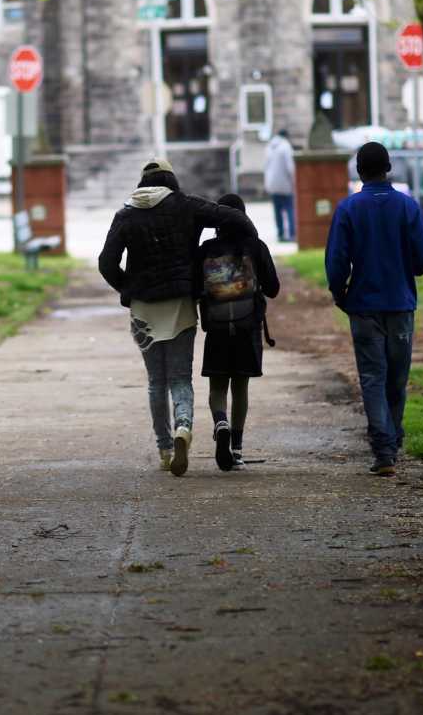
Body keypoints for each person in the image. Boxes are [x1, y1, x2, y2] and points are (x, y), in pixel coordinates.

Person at [98, 159, 259, 476]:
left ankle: (164, 448)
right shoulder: (185, 205)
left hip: (144, 309)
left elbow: (106, 262)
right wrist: (248, 241)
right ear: (171, 181)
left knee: (156, 382)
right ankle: (182, 428)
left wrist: (129, 288)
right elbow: (231, 216)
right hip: (181, 305)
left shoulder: (125, 215)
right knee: (180, 378)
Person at [324, 142, 423, 476]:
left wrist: (339, 291)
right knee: (397, 377)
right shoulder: (407, 207)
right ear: (389, 168)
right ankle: (394, 435)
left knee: (373, 376)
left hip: (364, 305)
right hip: (400, 303)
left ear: (359, 171)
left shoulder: (348, 209)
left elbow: (336, 260)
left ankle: (383, 448)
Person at [195, 193, 280, 471]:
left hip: (217, 328)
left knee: (217, 386)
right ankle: (238, 449)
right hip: (247, 327)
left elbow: (196, 288)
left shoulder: (206, 249)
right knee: (240, 386)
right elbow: (273, 288)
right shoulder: (255, 247)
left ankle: (221, 423)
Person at [263, 128, 296, 242]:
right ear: (286, 136)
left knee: (277, 210)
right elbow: (290, 167)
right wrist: (294, 181)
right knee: (289, 208)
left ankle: (280, 234)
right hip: (284, 184)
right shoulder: (286, 147)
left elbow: (266, 166)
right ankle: (292, 233)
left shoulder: (269, 146)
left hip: (272, 184)